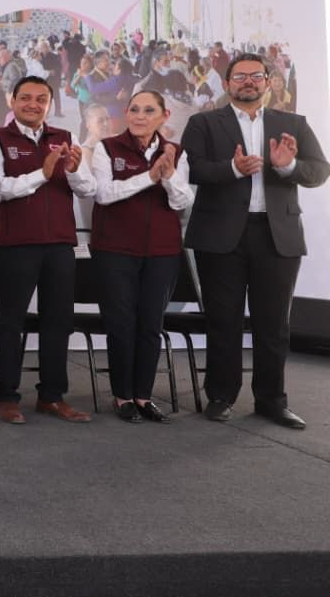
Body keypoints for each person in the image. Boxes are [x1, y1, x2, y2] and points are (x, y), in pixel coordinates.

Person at [181, 53, 329, 429]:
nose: (248, 81)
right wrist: (233, 168)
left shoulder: (293, 123)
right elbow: (193, 169)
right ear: (227, 83)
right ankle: (220, 396)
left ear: (266, 82)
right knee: (223, 320)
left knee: (274, 324)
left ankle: (271, 401)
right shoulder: (203, 122)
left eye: (256, 76)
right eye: (240, 76)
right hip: (220, 235)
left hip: (277, 235)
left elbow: (319, 171)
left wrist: (287, 166)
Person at [0, 75, 96, 424]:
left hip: (60, 243)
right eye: (26, 98)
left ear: (49, 103)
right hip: (16, 244)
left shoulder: (65, 137)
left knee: (58, 322)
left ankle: (52, 397)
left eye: (41, 99)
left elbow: (88, 189)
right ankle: (8, 397)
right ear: (12, 101)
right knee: (11, 322)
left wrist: (73, 171)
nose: (33, 104)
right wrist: (41, 174)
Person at [90, 91, 194, 423]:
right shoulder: (107, 148)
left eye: (149, 110)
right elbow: (103, 194)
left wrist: (168, 176)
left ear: (164, 116)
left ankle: (143, 396)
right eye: (134, 109)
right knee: (121, 323)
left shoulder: (176, 152)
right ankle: (123, 396)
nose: (140, 116)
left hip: (162, 251)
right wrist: (148, 177)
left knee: (151, 324)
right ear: (126, 113)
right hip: (114, 250)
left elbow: (182, 202)